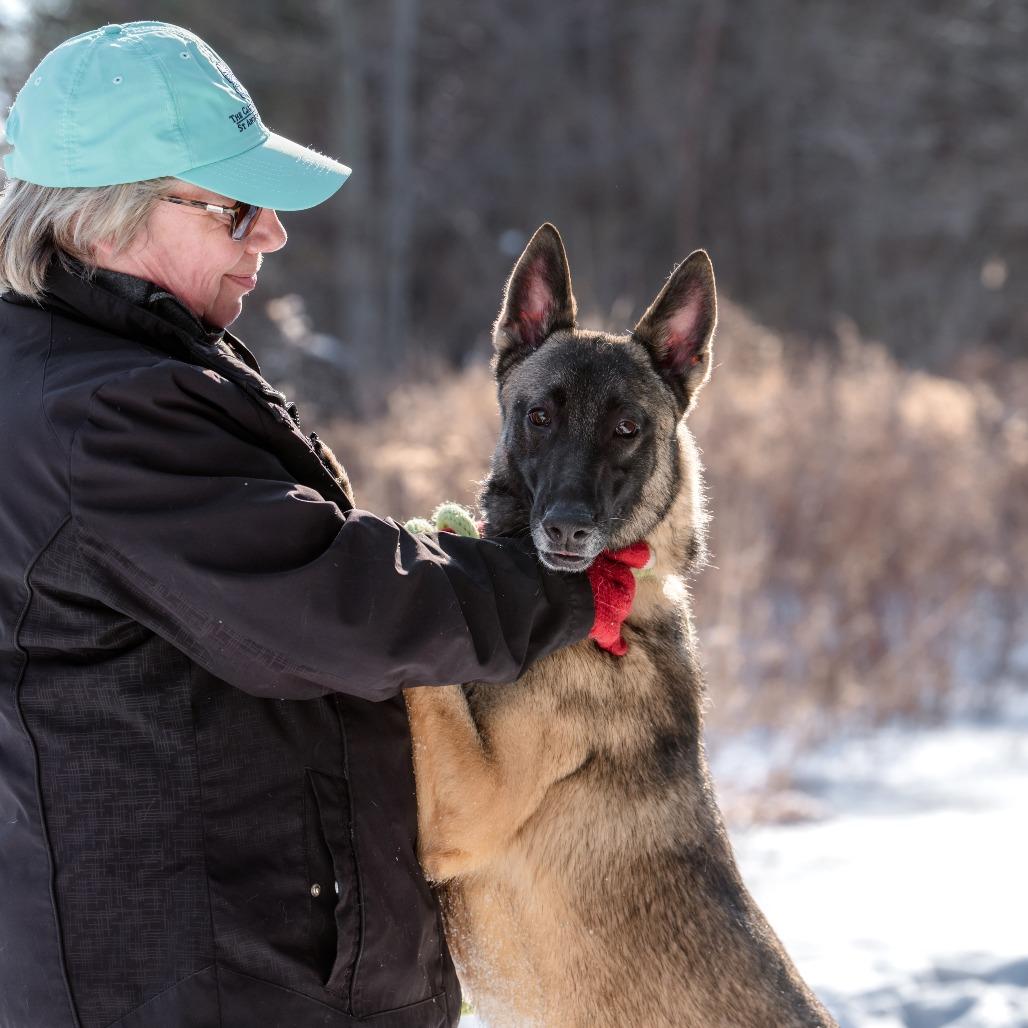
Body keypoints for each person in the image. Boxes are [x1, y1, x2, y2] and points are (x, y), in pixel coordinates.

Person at [0, 21, 638, 1028]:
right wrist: (549, 583)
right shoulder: (94, 415)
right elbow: (330, 606)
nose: (271, 233)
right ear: (103, 220)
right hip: (199, 986)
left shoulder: (92, 371)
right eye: (234, 207)